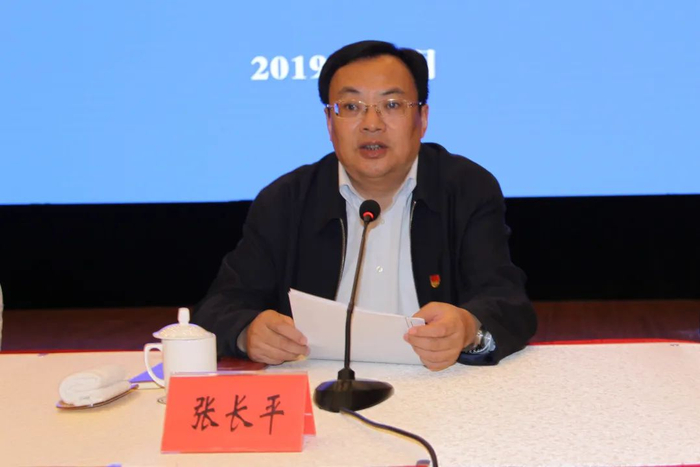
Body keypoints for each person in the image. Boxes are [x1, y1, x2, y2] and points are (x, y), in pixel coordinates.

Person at [192, 40, 537, 371]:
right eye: (351, 107)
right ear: (329, 122)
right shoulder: (286, 200)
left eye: (392, 105)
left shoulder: (465, 189)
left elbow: (509, 304)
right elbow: (218, 308)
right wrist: (247, 331)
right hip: (320, 390)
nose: (372, 124)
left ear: (422, 119)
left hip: (438, 383)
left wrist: (469, 327)